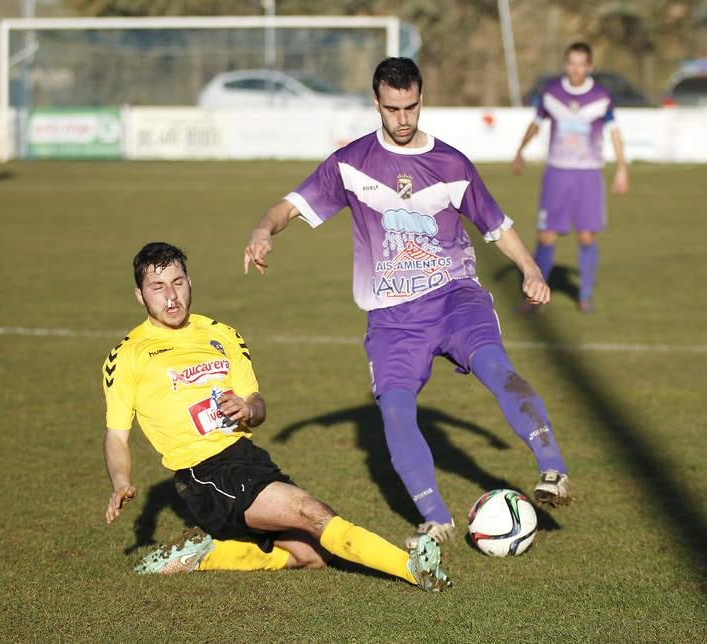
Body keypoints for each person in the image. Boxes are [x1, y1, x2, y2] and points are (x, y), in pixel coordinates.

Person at [244, 57, 571, 551]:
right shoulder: (351, 163)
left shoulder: (451, 164)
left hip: (456, 299)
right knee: (396, 413)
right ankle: (435, 518)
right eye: (393, 108)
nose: (403, 118)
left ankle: (554, 470)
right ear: (377, 103)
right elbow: (290, 205)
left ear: (421, 100)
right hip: (393, 319)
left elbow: (496, 227)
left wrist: (529, 268)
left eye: (411, 106)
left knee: (496, 367)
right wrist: (263, 230)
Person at [102, 241, 450, 591]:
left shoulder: (222, 334)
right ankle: (412, 568)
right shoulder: (128, 354)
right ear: (140, 296)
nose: (171, 297)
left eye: (177, 283)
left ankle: (210, 555)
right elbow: (116, 435)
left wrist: (248, 408)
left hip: (248, 458)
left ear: (190, 282)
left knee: (312, 554)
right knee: (311, 512)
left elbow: (257, 404)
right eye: (157, 288)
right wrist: (121, 481)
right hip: (204, 472)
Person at [512, 41, 630, 312]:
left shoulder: (601, 97)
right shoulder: (552, 93)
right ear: (566, 64)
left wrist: (622, 167)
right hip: (557, 172)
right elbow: (536, 123)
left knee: (587, 236)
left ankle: (585, 295)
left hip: (588, 175)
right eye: (571, 63)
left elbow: (614, 131)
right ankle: (535, 295)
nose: (575, 69)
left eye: (581, 63)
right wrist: (520, 150)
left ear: (589, 66)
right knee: (545, 236)